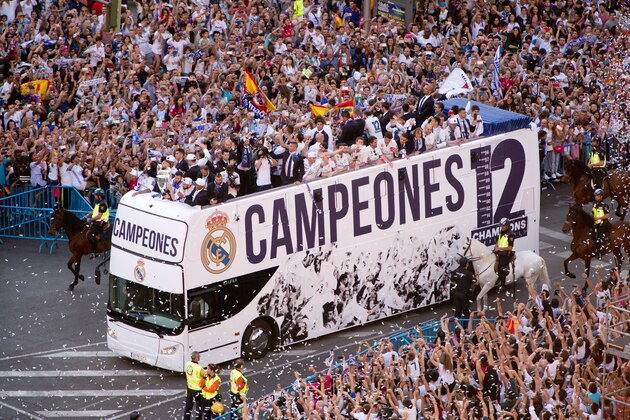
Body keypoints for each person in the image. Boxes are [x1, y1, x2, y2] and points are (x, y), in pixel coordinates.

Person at [494, 218, 515, 296]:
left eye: (502, 226)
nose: (501, 227)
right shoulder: (501, 232)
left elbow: (510, 247)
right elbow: (498, 240)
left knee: (501, 269)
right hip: (500, 251)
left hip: (507, 253)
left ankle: (502, 285)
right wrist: (496, 246)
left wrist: (499, 248)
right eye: (501, 226)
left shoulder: (511, 234)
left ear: (507, 226)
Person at [85, 188, 109, 253]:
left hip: (102, 221)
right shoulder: (98, 202)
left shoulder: (103, 204)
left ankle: (96, 249)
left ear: (99, 196)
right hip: (97, 220)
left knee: (91, 235)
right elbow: (94, 211)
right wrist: (88, 215)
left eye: (96, 195)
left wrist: (90, 219)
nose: (95, 197)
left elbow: (99, 216)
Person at [184, 351, 205, 420]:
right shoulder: (199, 368)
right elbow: (205, 376)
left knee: (188, 408)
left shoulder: (187, 364)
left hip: (190, 389)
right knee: (199, 409)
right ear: (197, 358)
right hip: (198, 390)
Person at [592, 189, 610, 259]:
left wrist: (598, 218)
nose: (595, 197)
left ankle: (600, 252)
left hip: (602, 224)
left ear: (601, 196)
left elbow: (607, 216)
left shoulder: (604, 205)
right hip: (595, 223)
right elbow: (593, 213)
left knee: (599, 237)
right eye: (595, 195)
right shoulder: (594, 204)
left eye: (597, 195)